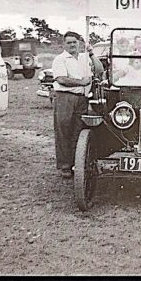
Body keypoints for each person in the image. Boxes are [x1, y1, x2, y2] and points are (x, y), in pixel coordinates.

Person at [52, 32, 103, 179]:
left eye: (74, 42)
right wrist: (81, 82)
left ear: (78, 43)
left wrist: (92, 54)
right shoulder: (60, 59)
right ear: (64, 44)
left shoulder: (84, 57)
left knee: (78, 131)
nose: (72, 45)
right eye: (69, 43)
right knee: (64, 131)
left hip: (82, 98)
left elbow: (99, 71)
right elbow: (61, 79)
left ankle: (77, 164)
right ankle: (64, 166)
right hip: (65, 97)